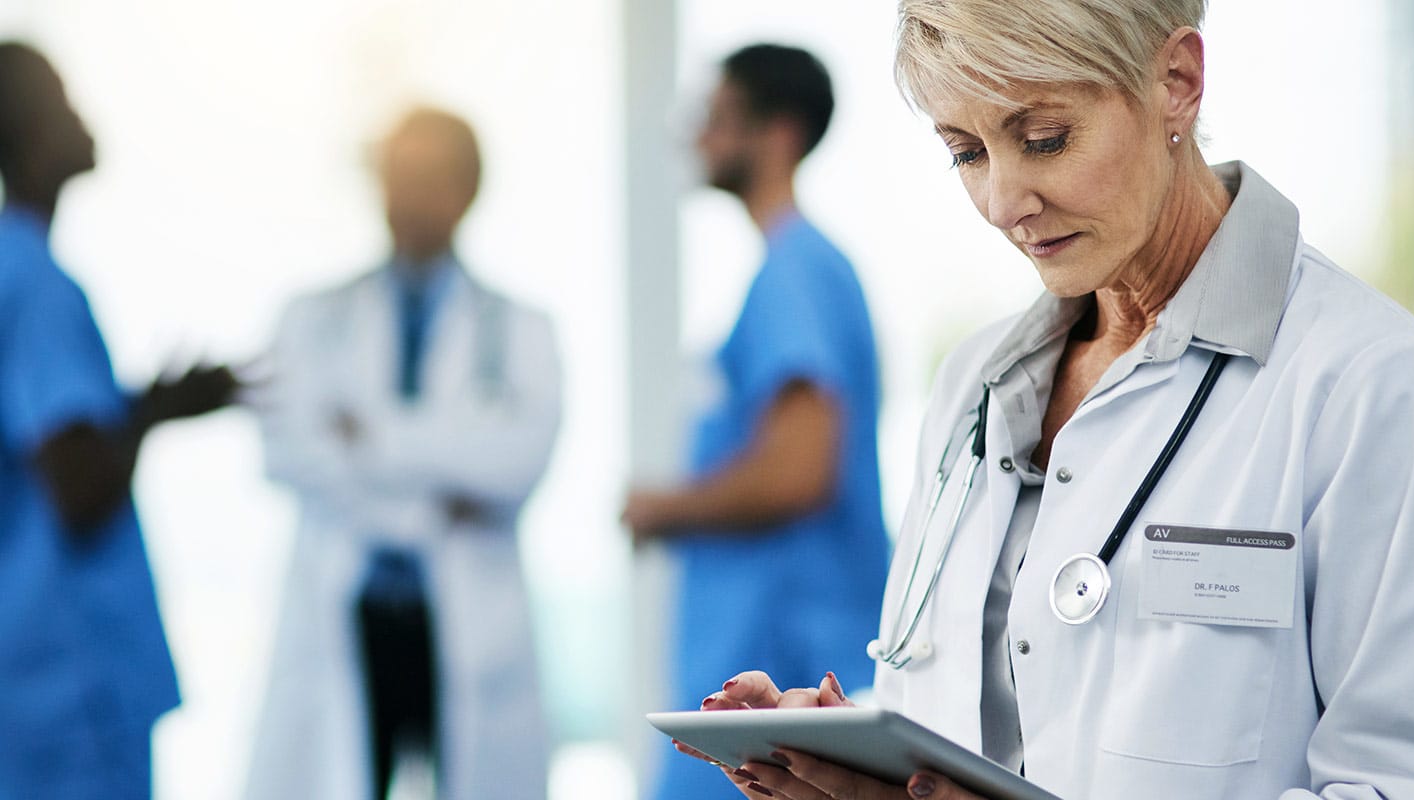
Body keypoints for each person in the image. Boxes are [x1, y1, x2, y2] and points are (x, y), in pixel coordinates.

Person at [677, 2, 1414, 799]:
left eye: (1044, 138)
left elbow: (1407, 785)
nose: (1003, 203)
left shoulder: (1376, 388)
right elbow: (978, 722)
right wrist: (855, 763)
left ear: (1176, 83)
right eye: (966, 154)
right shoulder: (973, 385)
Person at [245, 108, 562, 800]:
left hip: (466, 625)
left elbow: (516, 464)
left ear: (467, 190)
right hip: (347, 612)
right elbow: (287, 453)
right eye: (394, 177)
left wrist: (373, 436)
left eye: (426, 179)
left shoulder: (522, 330)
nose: (406, 198)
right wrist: (439, 483)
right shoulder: (309, 317)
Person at [622, 44, 890, 800]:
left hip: (778, 670)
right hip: (764, 662)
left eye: (717, 119)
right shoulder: (790, 273)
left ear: (777, 134)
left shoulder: (796, 273)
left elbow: (798, 471)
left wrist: (661, 509)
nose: (697, 137)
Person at [0, 42, 238, 799]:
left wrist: (139, 406)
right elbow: (77, 484)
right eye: (62, 101)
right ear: (29, 132)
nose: (82, 117)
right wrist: (159, 413)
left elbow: (44, 444)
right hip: (68, 689)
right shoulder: (35, 283)